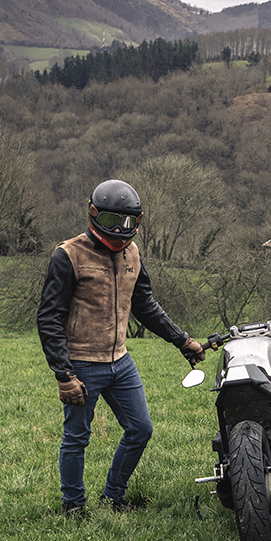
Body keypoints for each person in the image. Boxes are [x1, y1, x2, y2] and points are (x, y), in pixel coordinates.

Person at [37, 179, 204, 513]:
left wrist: (182, 340)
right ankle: (73, 506)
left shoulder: (132, 253)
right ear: (93, 213)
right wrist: (64, 375)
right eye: (113, 221)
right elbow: (49, 318)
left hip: (121, 361)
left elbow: (145, 305)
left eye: (130, 222)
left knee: (141, 429)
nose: (121, 230)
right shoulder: (68, 255)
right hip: (82, 363)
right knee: (76, 437)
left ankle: (113, 496)